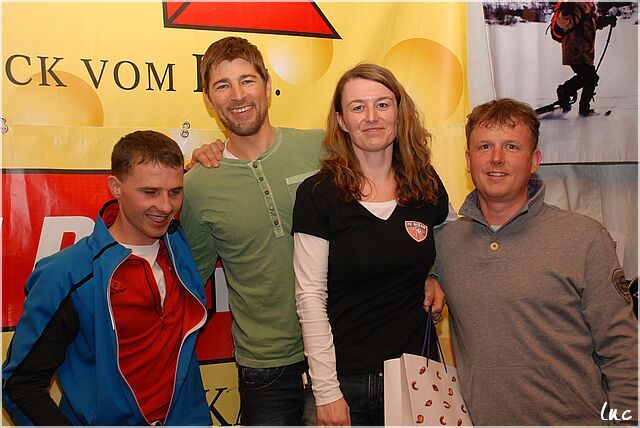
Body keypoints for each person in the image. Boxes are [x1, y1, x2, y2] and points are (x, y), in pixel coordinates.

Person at [183, 38, 445, 425]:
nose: (238, 95)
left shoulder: (322, 150)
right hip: (268, 364)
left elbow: (406, 215)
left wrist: (430, 272)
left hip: (343, 350)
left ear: (268, 84)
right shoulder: (200, 184)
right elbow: (192, 277)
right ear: (208, 99)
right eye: (223, 85)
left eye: (247, 80)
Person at [433, 98, 638, 425]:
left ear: (534, 161)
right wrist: (429, 276)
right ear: (469, 161)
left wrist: (626, 422)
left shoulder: (584, 238)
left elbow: (622, 349)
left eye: (511, 146)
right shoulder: (444, 244)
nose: (496, 158)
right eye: (485, 146)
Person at [2, 130, 211, 425]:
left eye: (175, 192)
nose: (166, 206)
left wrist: (212, 155)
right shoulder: (68, 274)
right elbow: (20, 386)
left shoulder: (180, 245)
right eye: (149, 192)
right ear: (115, 187)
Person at [291, 63, 449, 426]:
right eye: (358, 107)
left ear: (399, 111)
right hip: (345, 383)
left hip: (414, 378)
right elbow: (310, 297)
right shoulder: (318, 194)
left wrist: (434, 274)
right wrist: (326, 391)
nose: (372, 117)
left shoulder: (425, 184)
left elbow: (450, 235)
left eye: (382, 104)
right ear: (342, 121)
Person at [555, 2, 616, 116]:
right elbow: (562, 23)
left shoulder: (588, 10)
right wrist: (565, 12)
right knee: (590, 77)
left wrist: (607, 20)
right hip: (575, 51)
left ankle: (580, 105)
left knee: (589, 78)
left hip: (585, 52)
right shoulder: (575, 7)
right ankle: (566, 92)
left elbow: (594, 23)